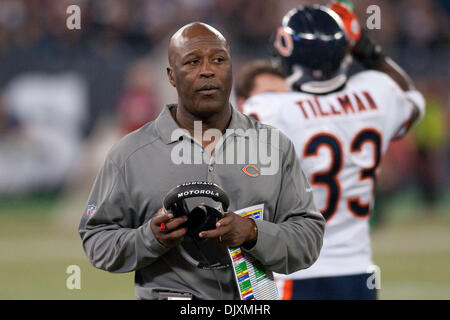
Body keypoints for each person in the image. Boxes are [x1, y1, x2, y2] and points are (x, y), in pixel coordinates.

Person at [78, 22, 325, 300]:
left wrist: (253, 233)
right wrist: (150, 238)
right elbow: (96, 239)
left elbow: (309, 239)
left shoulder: (274, 146)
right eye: (193, 62)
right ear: (171, 76)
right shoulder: (130, 153)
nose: (207, 70)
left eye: (219, 60)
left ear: (232, 69)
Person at [242, 4, 425, 300]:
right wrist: (367, 48)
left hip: (294, 272)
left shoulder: (270, 110)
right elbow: (412, 98)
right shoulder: (377, 92)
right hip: (357, 273)